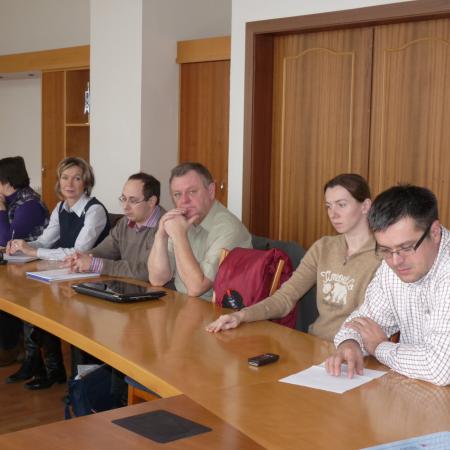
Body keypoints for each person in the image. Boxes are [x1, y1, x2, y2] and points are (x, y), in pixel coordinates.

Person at [206, 174, 381, 342]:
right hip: (316, 343)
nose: (333, 214)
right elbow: (286, 297)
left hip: (353, 349)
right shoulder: (324, 247)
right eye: (329, 206)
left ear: (365, 206)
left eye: (341, 205)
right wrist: (241, 315)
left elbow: (371, 322)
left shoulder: (383, 256)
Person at [325, 185, 450, 386]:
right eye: (385, 250)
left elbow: (440, 368)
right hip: (419, 389)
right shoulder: (392, 265)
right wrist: (350, 343)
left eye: (406, 247)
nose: (396, 261)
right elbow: (362, 321)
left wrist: (379, 347)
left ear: (434, 232)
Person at [6, 156, 110, 390]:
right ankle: (53, 370)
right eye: (65, 177)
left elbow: (78, 251)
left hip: (93, 279)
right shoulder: (61, 207)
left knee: (65, 316)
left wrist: (33, 250)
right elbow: (45, 241)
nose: (69, 184)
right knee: (37, 305)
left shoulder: (94, 211)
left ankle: (80, 386)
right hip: (67, 275)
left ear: (86, 182)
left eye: (77, 178)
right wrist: (22, 245)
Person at [148, 162, 252, 299]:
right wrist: (161, 235)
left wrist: (179, 235)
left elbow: (196, 288)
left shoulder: (228, 229)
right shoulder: (183, 221)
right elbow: (157, 279)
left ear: (211, 191)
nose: (184, 200)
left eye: (192, 192)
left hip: (218, 309)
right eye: (177, 194)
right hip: (184, 303)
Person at [67, 172, 164, 281]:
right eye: (124, 199)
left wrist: (97, 265)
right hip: (128, 287)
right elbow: (103, 251)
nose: (125, 207)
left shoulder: (165, 228)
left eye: (133, 200)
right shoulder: (125, 222)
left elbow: (146, 272)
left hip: (157, 290)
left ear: (151, 201)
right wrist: (82, 257)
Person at [0, 156, 49, 366]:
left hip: (33, 267)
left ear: (6, 181)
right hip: (13, 264)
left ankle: (11, 347)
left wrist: (0, 210)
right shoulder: (12, 201)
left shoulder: (29, 204)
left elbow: (6, 240)